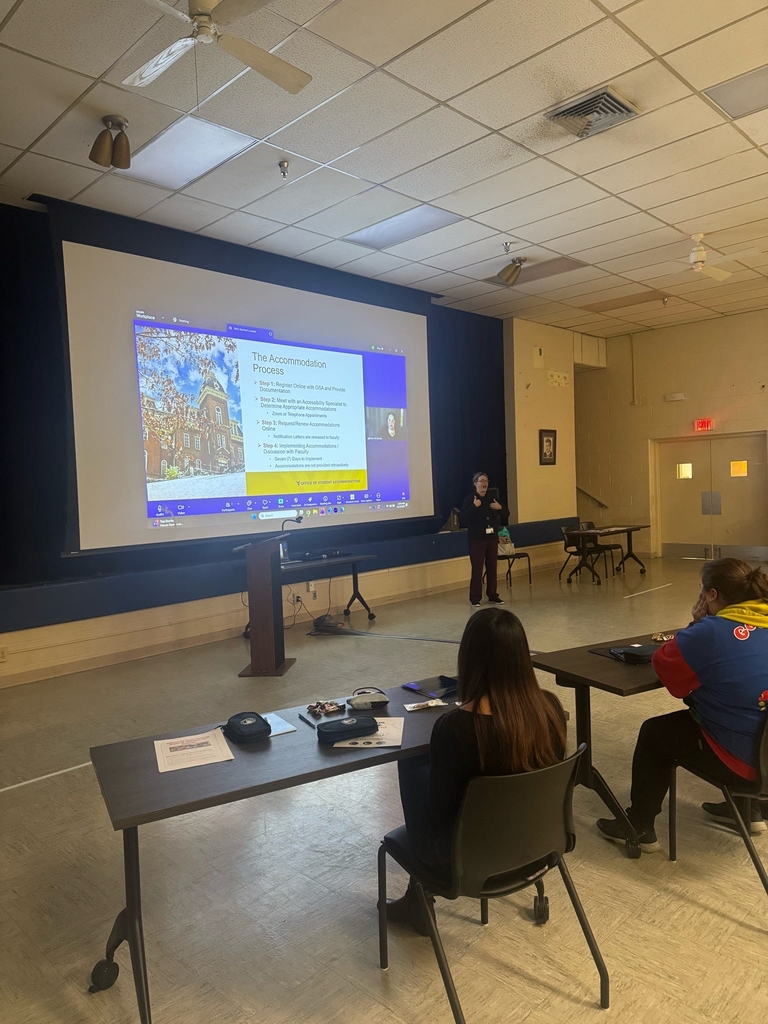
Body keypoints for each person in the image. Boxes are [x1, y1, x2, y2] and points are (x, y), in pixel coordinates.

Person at [385, 608, 567, 933]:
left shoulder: (455, 728)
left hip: (462, 861)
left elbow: (439, 816)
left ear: (468, 658)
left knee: (411, 763)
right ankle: (417, 900)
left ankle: (419, 901)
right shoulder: (551, 709)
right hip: (538, 845)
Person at [597, 558, 768, 852]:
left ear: (711, 595)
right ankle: (746, 811)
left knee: (655, 732)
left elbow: (667, 669)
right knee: (747, 710)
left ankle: (638, 827)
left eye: (701, 589)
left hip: (745, 764)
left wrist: (698, 622)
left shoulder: (710, 632)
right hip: (766, 752)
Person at [459, 471, 509, 606]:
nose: (484, 484)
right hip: (476, 539)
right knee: (477, 568)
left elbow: (506, 513)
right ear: (475, 483)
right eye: (481, 481)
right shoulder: (470, 499)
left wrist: (500, 508)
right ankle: (475, 597)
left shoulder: (492, 498)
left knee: (492, 567)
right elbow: (463, 518)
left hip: (492, 538)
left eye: (486, 481)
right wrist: (474, 506)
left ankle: (493, 594)